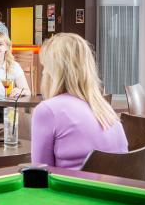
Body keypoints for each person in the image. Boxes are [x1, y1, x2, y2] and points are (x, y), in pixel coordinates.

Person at [31, 33, 128, 170]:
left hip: (74, 190)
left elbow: (39, 176)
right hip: (116, 190)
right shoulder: (106, 110)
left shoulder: (47, 110)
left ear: (53, 71)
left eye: (45, 66)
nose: (43, 72)